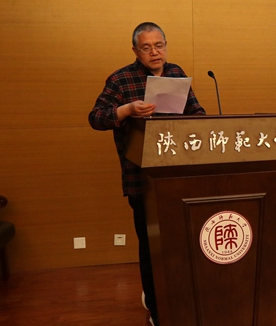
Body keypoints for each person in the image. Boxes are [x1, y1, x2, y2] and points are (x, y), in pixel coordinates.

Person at [88, 22, 205, 326]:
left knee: (181, 244)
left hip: (179, 177)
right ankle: (157, 309)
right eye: (147, 47)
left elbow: (197, 113)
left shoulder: (176, 73)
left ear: (166, 46)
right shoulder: (120, 79)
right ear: (135, 51)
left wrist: (200, 123)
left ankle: (181, 298)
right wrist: (126, 110)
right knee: (152, 246)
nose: (155, 52)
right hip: (141, 180)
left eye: (159, 45)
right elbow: (96, 117)